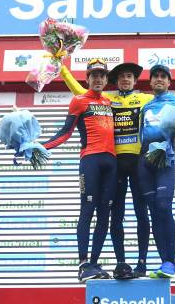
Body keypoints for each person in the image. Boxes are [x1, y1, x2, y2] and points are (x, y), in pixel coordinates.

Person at [59, 61, 175, 278]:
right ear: (115, 81)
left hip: (139, 162)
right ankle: (121, 263)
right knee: (116, 215)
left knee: (142, 213)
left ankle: (142, 263)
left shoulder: (146, 99)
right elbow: (80, 93)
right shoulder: (107, 99)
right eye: (122, 77)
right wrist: (62, 68)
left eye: (130, 77)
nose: (125, 79)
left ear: (136, 81)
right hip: (114, 163)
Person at [42, 59, 116, 282]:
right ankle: (83, 263)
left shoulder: (110, 103)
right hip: (90, 160)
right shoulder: (78, 101)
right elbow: (65, 133)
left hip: (111, 163)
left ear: (106, 79)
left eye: (102, 75)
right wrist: (41, 147)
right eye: (94, 75)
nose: (98, 79)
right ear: (87, 78)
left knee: (105, 213)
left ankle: (94, 262)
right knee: (88, 208)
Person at [139, 64, 175, 278]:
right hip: (144, 161)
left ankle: (171, 262)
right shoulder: (145, 107)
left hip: (166, 159)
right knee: (153, 212)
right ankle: (164, 265)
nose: (159, 79)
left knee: (163, 206)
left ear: (169, 82)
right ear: (150, 82)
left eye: (163, 76)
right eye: (155, 76)